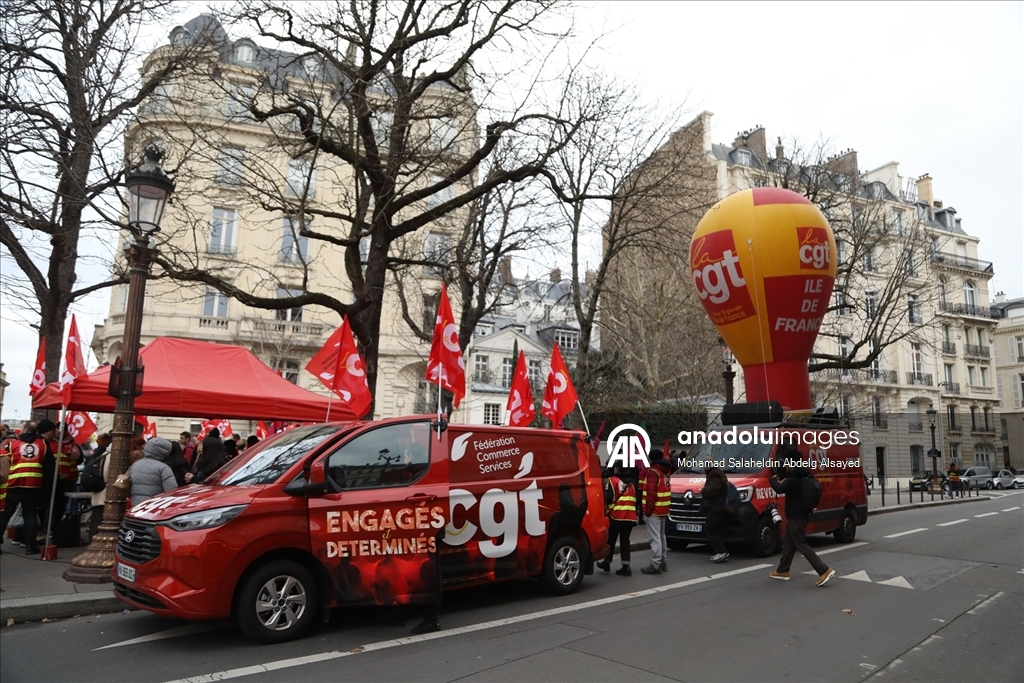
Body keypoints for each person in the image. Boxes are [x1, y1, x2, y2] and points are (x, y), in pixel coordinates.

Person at [768, 445, 835, 586]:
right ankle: (782, 570)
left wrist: (773, 480)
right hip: (801, 514)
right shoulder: (803, 474)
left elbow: (780, 488)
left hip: (797, 516)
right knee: (788, 543)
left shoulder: (794, 478)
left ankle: (824, 570)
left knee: (801, 544)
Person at [0, 420, 54, 554]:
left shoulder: (11, 444)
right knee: (30, 515)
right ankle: (30, 546)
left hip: (13, 484)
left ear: (24, 430)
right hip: (33, 485)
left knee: (5, 515)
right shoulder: (42, 445)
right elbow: (49, 468)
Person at [596, 464, 638, 576]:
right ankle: (626, 566)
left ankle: (606, 562)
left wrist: (606, 512)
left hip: (616, 515)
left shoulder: (612, 480)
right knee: (625, 541)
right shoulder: (633, 482)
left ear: (618, 468)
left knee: (611, 540)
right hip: (630, 516)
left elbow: (608, 498)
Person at [641, 450, 672, 574]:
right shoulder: (665, 472)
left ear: (652, 459)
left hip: (654, 510)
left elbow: (651, 493)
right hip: (663, 509)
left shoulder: (653, 472)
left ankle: (655, 564)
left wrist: (647, 511)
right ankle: (663, 561)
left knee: (655, 539)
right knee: (661, 537)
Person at [128, 437, 178, 507]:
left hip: (135, 506)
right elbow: (171, 491)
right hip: (154, 508)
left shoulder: (135, 464)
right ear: (164, 452)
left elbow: (127, 485)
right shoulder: (163, 468)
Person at [700, 462, 730, 563]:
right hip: (720, 506)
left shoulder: (714, 474)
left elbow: (715, 489)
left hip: (716, 506)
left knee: (710, 528)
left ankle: (721, 551)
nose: (702, 467)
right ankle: (722, 552)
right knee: (718, 529)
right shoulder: (717, 472)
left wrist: (704, 491)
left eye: (703, 465)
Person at [87, 433, 112, 540]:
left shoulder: (104, 453)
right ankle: (96, 541)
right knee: (100, 518)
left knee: (96, 517)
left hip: (99, 490)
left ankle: (93, 540)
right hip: (105, 491)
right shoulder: (111, 455)